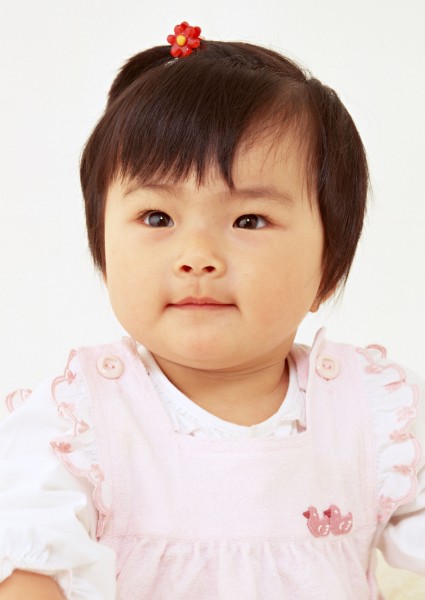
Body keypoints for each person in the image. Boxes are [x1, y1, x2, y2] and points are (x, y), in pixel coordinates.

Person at [0, 20, 423, 600]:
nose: (196, 255)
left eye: (249, 220)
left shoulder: (373, 413)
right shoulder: (78, 422)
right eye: (157, 218)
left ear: (328, 265)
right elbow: (27, 560)